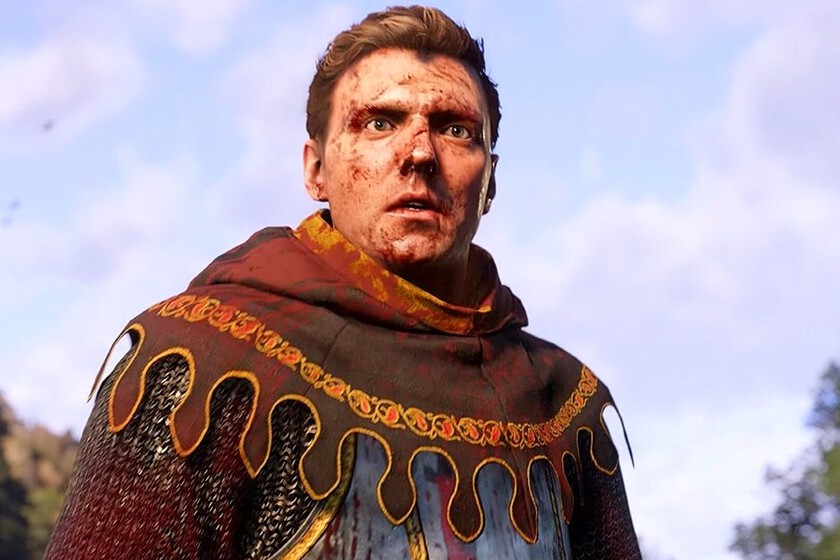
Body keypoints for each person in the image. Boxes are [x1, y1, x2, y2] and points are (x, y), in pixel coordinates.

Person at [46, 6, 641, 559]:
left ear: (490, 181)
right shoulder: (198, 366)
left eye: (456, 130)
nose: (419, 154)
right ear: (316, 170)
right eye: (379, 123)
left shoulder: (563, 405)